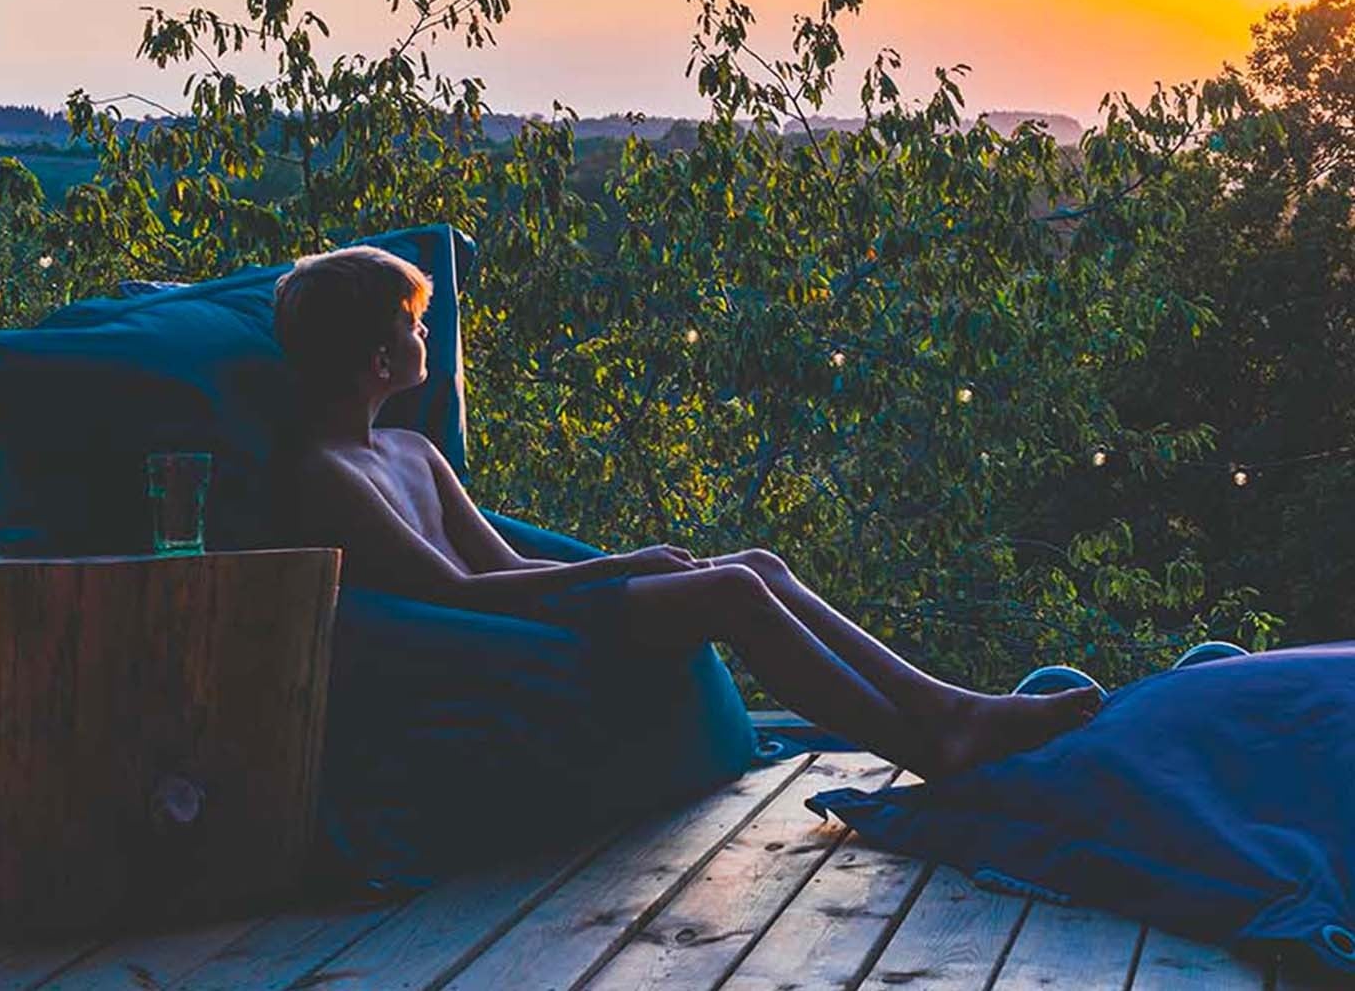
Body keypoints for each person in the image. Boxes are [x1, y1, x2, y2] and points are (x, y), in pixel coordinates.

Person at [274, 245, 1100, 780]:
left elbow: (508, 564)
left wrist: (610, 571)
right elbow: (453, 592)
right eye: (414, 324)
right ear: (379, 357)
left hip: (530, 608)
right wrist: (625, 567)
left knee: (760, 565)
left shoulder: (412, 451)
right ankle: (935, 745)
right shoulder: (330, 473)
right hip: (485, 635)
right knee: (732, 592)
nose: (427, 334)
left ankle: (949, 710)